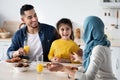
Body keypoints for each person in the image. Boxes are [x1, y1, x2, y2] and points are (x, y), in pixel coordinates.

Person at [47, 16, 117, 80]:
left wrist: (63, 68)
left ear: (91, 30)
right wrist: (79, 60)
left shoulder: (98, 49)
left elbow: (88, 78)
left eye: (86, 28)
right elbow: (93, 65)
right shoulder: (100, 44)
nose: (84, 32)